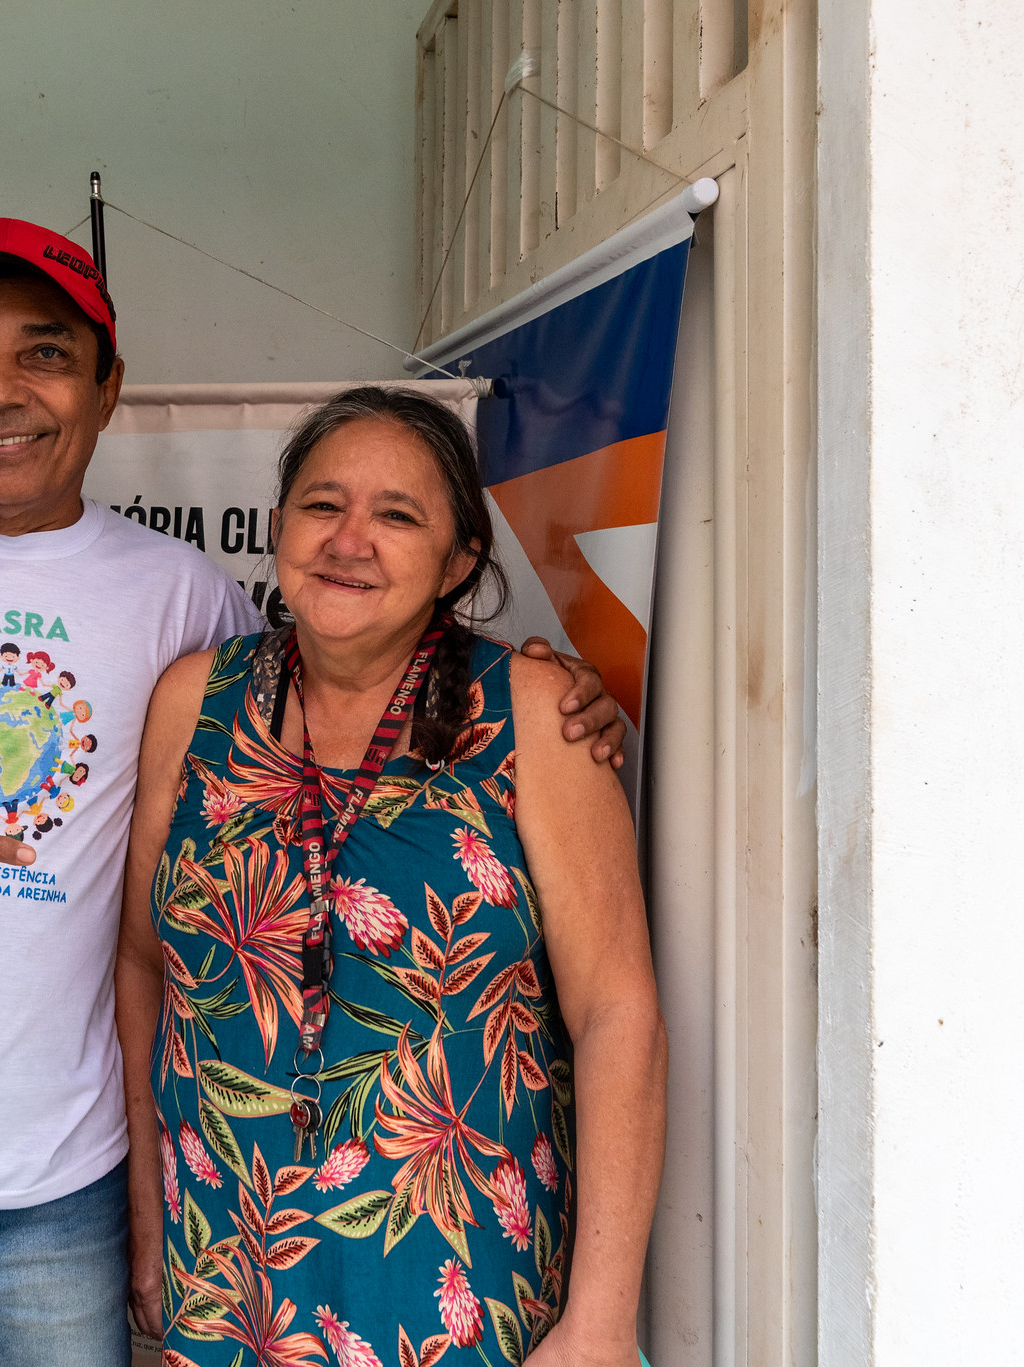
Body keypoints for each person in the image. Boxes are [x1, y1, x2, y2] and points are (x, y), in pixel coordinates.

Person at [0, 218, 628, 1367]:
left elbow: (339, 682)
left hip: (53, 1185)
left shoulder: (183, 602)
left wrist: (553, 690)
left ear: (107, 386)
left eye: (45, 352)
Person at [117, 387, 666, 1367]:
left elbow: (617, 1012)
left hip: (453, 1285)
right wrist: (148, 1220)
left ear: (457, 561)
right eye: (322, 505)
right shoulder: (194, 699)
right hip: (230, 1275)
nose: (348, 538)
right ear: (279, 525)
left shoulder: (533, 713)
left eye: (396, 514)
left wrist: (599, 1323)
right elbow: (139, 965)